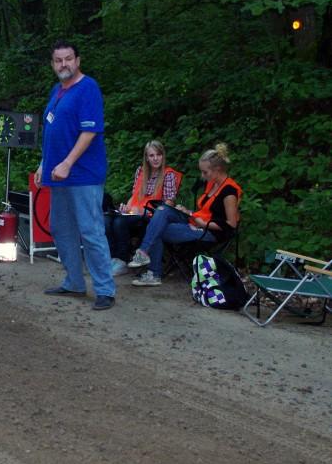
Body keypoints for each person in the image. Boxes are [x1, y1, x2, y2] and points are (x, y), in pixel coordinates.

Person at [35, 40, 115, 310]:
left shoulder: (87, 88)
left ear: (77, 60)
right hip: (58, 176)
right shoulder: (57, 91)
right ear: (52, 64)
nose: (63, 64)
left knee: (91, 231)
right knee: (61, 229)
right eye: (58, 60)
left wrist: (68, 163)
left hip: (83, 175)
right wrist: (44, 164)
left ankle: (105, 290)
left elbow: (90, 131)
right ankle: (74, 282)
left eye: (68, 59)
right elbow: (54, 133)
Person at [127, 143, 241, 286]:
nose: (202, 176)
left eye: (205, 172)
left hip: (209, 231)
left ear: (217, 169)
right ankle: (143, 254)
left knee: (156, 227)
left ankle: (153, 272)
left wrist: (203, 224)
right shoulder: (213, 182)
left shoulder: (229, 192)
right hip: (195, 221)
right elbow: (206, 211)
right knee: (162, 211)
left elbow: (231, 225)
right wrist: (189, 212)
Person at [106, 140, 180, 276]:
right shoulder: (140, 171)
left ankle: (122, 261)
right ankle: (112, 258)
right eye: (152, 155)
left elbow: (170, 203)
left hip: (151, 216)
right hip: (134, 212)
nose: (156, 158)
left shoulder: (168, 174)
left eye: (159, 154)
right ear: (146, 157)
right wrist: (126, 207)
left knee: (119, 222)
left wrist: (145, 210)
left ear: (163, 156)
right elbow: (134, 196)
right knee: (108, 219)